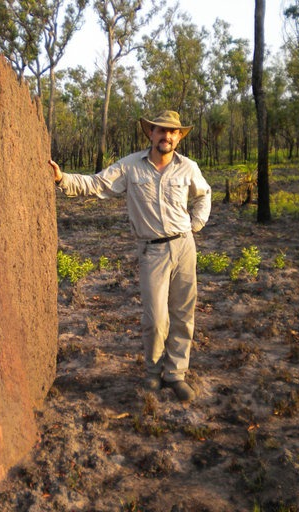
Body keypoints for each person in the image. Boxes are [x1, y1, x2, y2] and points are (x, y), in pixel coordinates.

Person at [48, 110, 212, 402]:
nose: (167, 136)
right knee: (155, 318)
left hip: (184, 247)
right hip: (152, 251)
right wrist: (62, 179)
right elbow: (97, 184)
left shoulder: (188, 167)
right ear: (150, 134)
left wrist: (196, 224)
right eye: (161, 131)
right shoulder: (131, 167)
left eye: (173, 132)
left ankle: (176, 374)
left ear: (179, 137)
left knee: (183, 315)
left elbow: (204, 194)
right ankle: (153, 372)